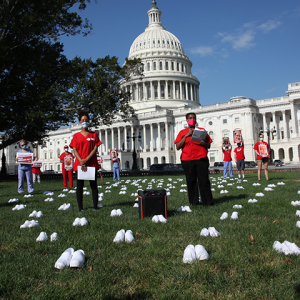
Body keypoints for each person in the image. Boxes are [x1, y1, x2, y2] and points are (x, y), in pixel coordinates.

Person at [174, 112, 213, 206]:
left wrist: (204, 143)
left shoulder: (202, 130)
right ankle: (193, 202)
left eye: (194, 118)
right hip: (187, 159)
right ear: (187, 120)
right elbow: (178, 146)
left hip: (201, 158)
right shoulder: (182, 132)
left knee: (204, 181)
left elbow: (209, 145)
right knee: (191, 181)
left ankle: (207, 202)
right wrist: (186, 135)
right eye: (190, 118)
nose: (192, 119)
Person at [70, 110, 102, 211]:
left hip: (91, 163)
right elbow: (74, 149)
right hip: (79, 164)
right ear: (80, 122)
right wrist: (81, 161)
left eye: (87, 120)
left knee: (93, 186)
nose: (85, 122)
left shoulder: (93, 135)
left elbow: (95, 148)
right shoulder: (76, 136)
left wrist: (87, 159)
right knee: (79, 186)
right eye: (83, 120)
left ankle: (95, 206)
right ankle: (80, 208)